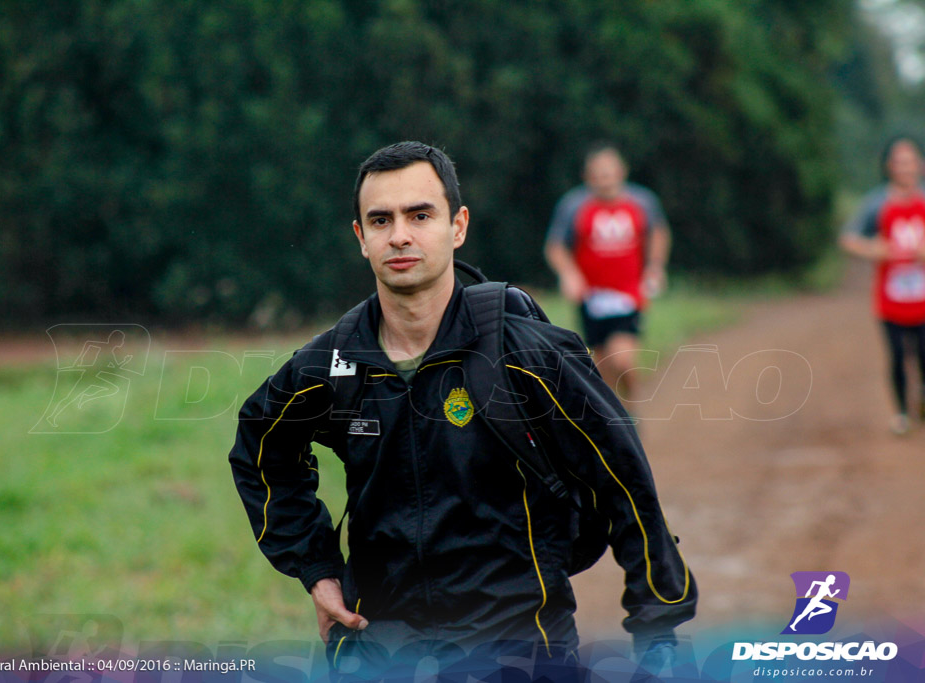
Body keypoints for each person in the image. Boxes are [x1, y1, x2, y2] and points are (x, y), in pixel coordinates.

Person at [228, 141, 695, 679]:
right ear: (360, 237)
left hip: (520, 645)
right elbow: (261, 444)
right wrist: (317, 568)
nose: (399, 234)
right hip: (381, 646)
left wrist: (658, 626)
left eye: (419, 215)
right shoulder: (335, 361)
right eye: (380, 220)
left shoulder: (524, 354)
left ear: (458, 226)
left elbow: (623, 480)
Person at [544, 143, 671, 403]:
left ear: (622, 172)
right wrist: (569, 274)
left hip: (629, 294)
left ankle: (631, 404)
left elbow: (658, 233)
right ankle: (614, 419)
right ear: (587, 177)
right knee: (601, 370)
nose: (604, 180)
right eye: (598, 174)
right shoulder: (574, 206)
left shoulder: (641, 201)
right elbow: (555, 246)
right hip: (591, 298)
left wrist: (655, 267)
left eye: (609, 172)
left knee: (622, 359)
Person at [840, 136, 925, 436]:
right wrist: (875, 249)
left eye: (911, 161)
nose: (906, 168)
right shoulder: (877, 203)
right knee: (899, 356)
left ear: (920, 165)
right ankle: (902, 412)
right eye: (900, 162)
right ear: (889, 167)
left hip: (923, 298)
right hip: (891, 297)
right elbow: (848, 239)